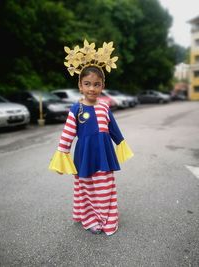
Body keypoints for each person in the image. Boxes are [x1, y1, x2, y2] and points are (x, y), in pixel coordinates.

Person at [49, 40, 133, 235]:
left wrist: (120, 143)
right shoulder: (76, 109)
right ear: (80, 85)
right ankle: (89, 219)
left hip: (104, 156)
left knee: (104, 188)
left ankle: (106, 218)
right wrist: (62, 156)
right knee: (86, 189)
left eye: (96, 84)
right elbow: (67, 134)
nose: (92, 88)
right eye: (87, 84)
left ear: (103, 85)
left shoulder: (104, 107)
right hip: (84, 157)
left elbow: (114, 129)